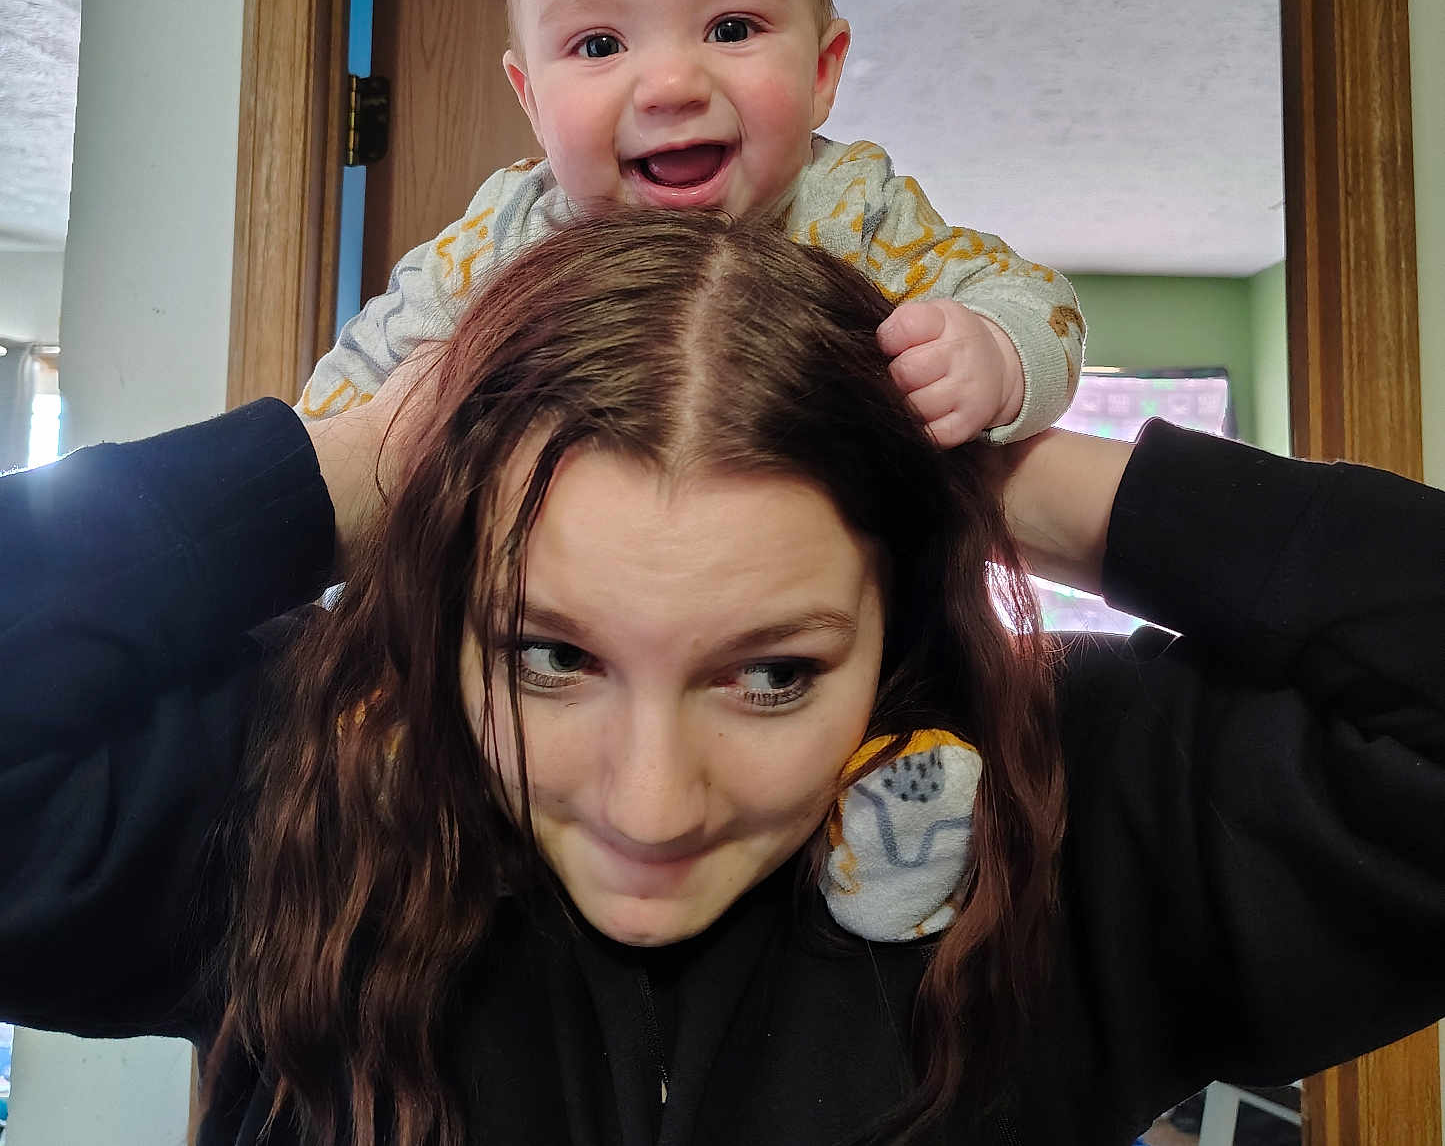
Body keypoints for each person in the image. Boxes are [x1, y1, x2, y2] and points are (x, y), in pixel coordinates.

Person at [4, 211, 1445, 1146]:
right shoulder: (302, 776)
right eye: (550, 655)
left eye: (771, 674)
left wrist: (1020, 479)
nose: (651, 801)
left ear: (896, 627)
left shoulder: (1071, 804)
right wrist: (346, 470)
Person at [299, 0, 1086, 450]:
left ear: (819, 71)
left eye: (731, 29)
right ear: (531, 102)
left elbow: (1033, 300)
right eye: (599, 44)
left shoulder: (853, 209)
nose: (670, 84)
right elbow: (351, 396)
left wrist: (991, 355)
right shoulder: (503, 240)